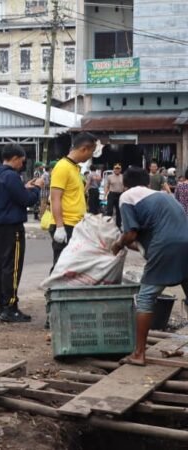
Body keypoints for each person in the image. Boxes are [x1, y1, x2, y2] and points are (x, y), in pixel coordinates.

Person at [111, 167, 188, 366]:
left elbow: (130, 235)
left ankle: (138, 354)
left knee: (145, 297)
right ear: (147, 182)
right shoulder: (164, 196)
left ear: (126, 184)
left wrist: (117, 244)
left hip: (166, 245)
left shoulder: (127, 196)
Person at [0, 144, 43, 323]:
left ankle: (1, 305)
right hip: (12, 226)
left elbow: (8, 196)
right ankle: (11, 307)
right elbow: (26, 200)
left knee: (0, 266)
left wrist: (24, 186)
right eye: (22, 161)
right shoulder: (11, 176)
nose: (22, 164)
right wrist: (36, 188)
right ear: (15, 158)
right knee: (12, 267)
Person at [49, 133, 97, 270]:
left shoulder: (75, 168)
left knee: (71, 267)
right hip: (66, 224)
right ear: (84, 149)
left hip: (76, 224)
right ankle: (54, 291)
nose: (90, 156)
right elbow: (55, 198)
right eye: (91, 152)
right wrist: (59, 227)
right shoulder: (62, 167)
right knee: (61, 267)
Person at [104, 163, 124, 228]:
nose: (117, 170)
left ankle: (118, 226)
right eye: (116, 168)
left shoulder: (123, 176)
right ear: (114, 169)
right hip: (112, 194)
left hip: (120, 195)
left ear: (120, 169)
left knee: (119, 211)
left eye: (118, 169)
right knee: (109, 211)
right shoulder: (110, 177)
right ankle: (108, 225)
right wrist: (105, 195)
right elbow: (107, 186)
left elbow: (125, 186)